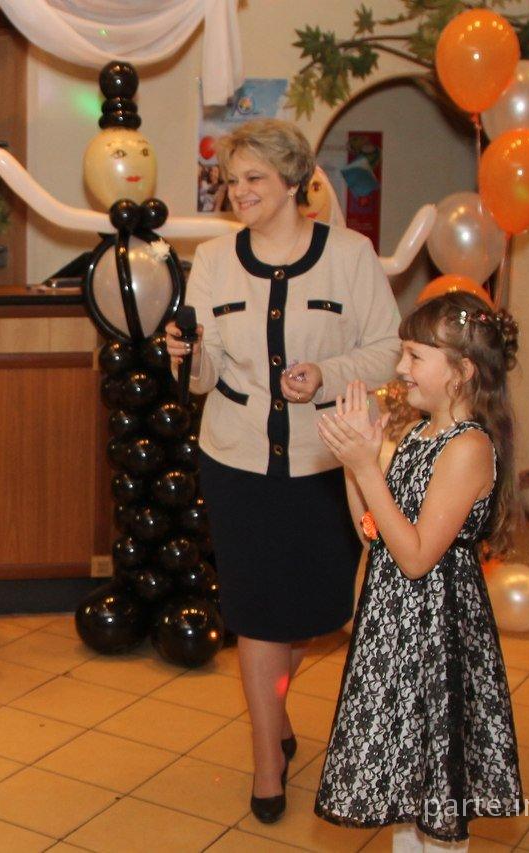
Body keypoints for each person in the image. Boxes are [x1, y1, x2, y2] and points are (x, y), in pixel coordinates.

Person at [165, 117, 401, 823]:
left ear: (295, 180)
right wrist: (187, 355)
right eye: (231, 181)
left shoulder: (350, 256)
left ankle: (274, 707)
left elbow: (387, 349)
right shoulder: (213, 260)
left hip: (328, 458)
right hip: (236, 459)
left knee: (318, 613)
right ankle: (268, 760)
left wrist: (326, 372)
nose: (239, 192)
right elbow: (204, 375)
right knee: (258, 613)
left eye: (254, 179)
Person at [314, 293, 522, 849]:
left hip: (436, 635)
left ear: (462, 372)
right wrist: (354, 461)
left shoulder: (468, 447)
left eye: (415, 356)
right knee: (408, 790)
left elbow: (415, 555)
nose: (400, 367)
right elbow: (374, 531)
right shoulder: (419, 434)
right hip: (398, 632)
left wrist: (366, 466)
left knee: (437, 789)